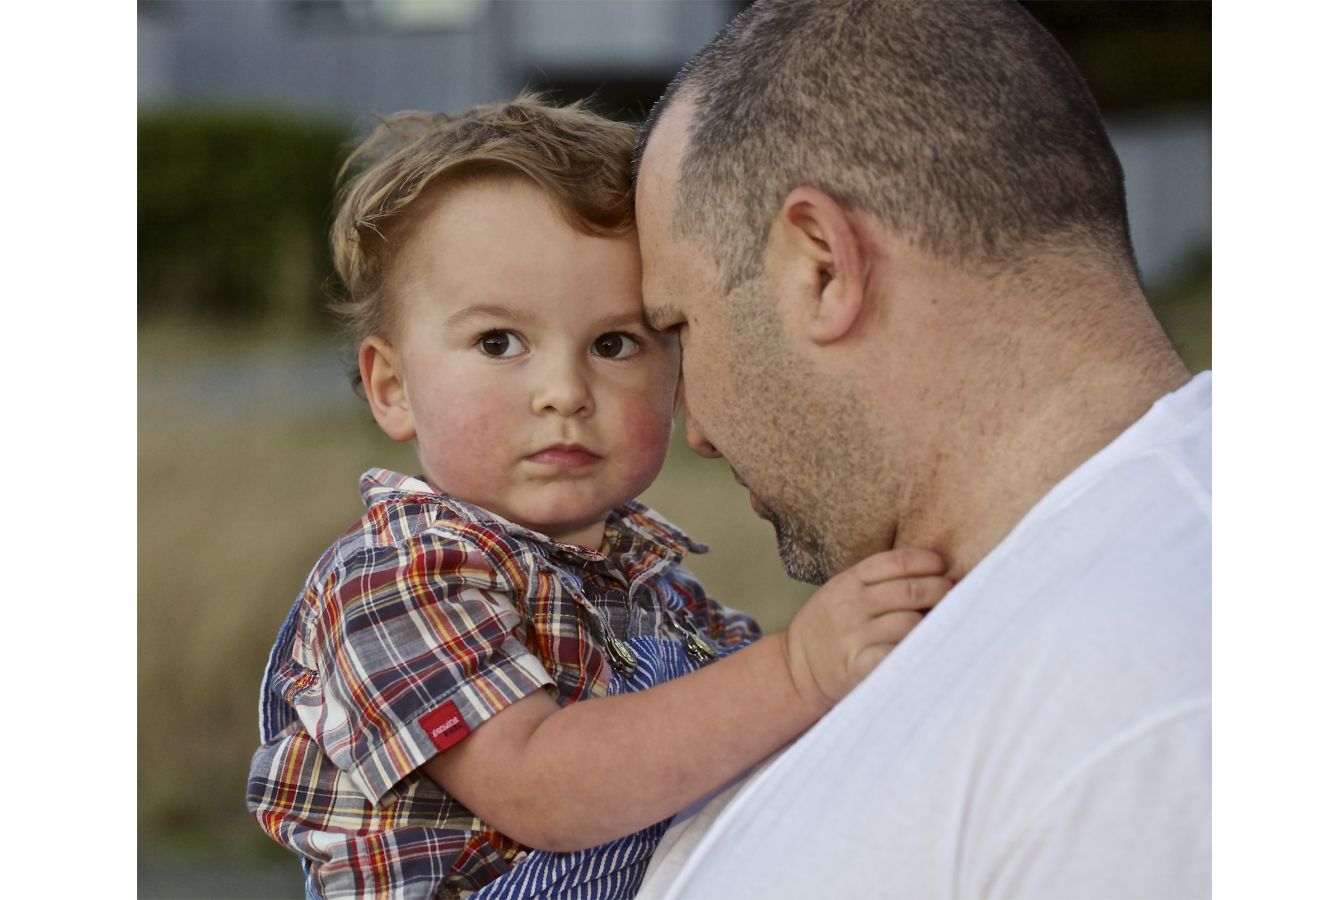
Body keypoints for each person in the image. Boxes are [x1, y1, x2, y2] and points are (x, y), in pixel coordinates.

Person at [245, 96, 952, 900]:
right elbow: (541, 789)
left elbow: (757, 745)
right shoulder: (396, 577)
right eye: (499, 343)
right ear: (393, 386)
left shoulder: (664, 595)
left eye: (614, 344)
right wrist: (798, 668)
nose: (564, 392)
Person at [631, 1, 1210, 898]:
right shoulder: (1092, 622)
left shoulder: (1145, 701)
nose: (695, 428)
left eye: (680, 327)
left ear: (820, 264)